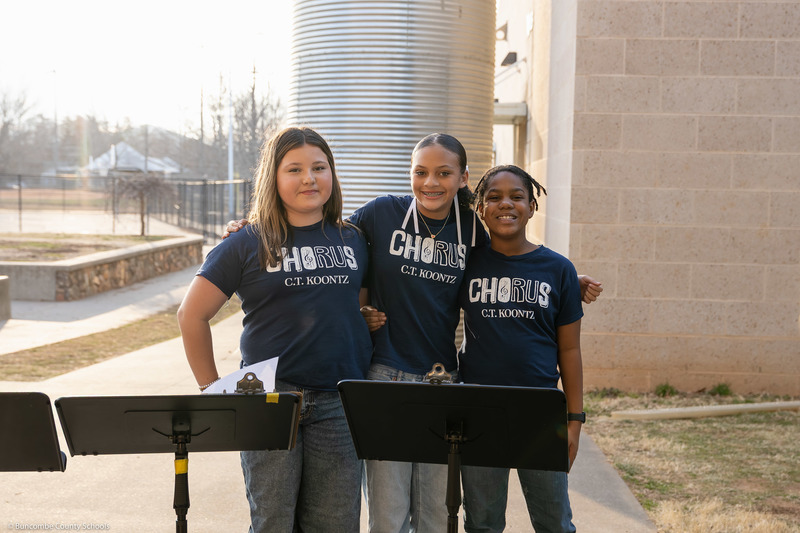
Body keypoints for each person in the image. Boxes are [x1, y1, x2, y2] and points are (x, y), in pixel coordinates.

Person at [224, 133, 602, 533]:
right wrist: (256, 225)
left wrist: (566, 278)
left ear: (462, 179)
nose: (431, 182)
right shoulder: (381, 213)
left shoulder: (471, 228)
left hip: (444, 381)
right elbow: (323, 230)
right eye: (420, 172)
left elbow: (511, 256)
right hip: (384, 376)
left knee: (437, 517)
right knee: (388, 518)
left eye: (443, 173)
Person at [177, 126, 372, 532]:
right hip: (268, 400)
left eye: (319, 167)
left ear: (331, 174)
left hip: (339, 403)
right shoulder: (247, 242)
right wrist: (214, 391)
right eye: (294, 169)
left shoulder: (353, 239)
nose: (309, 178)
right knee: (273, 523)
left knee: (335, 524)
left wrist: (362, 317)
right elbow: (191, 315)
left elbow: (353, 304)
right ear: (273, 177)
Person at [458, 164, 584, 533]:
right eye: (494, 197)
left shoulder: (559, 269)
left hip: (540, 412)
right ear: (480, 208)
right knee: (482, 523)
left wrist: (574, 420)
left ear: (532, 206)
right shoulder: (468, 262)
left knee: (554, 523)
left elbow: (571, 351)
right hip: (479, 410)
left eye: (516, 196)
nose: (505, 204)